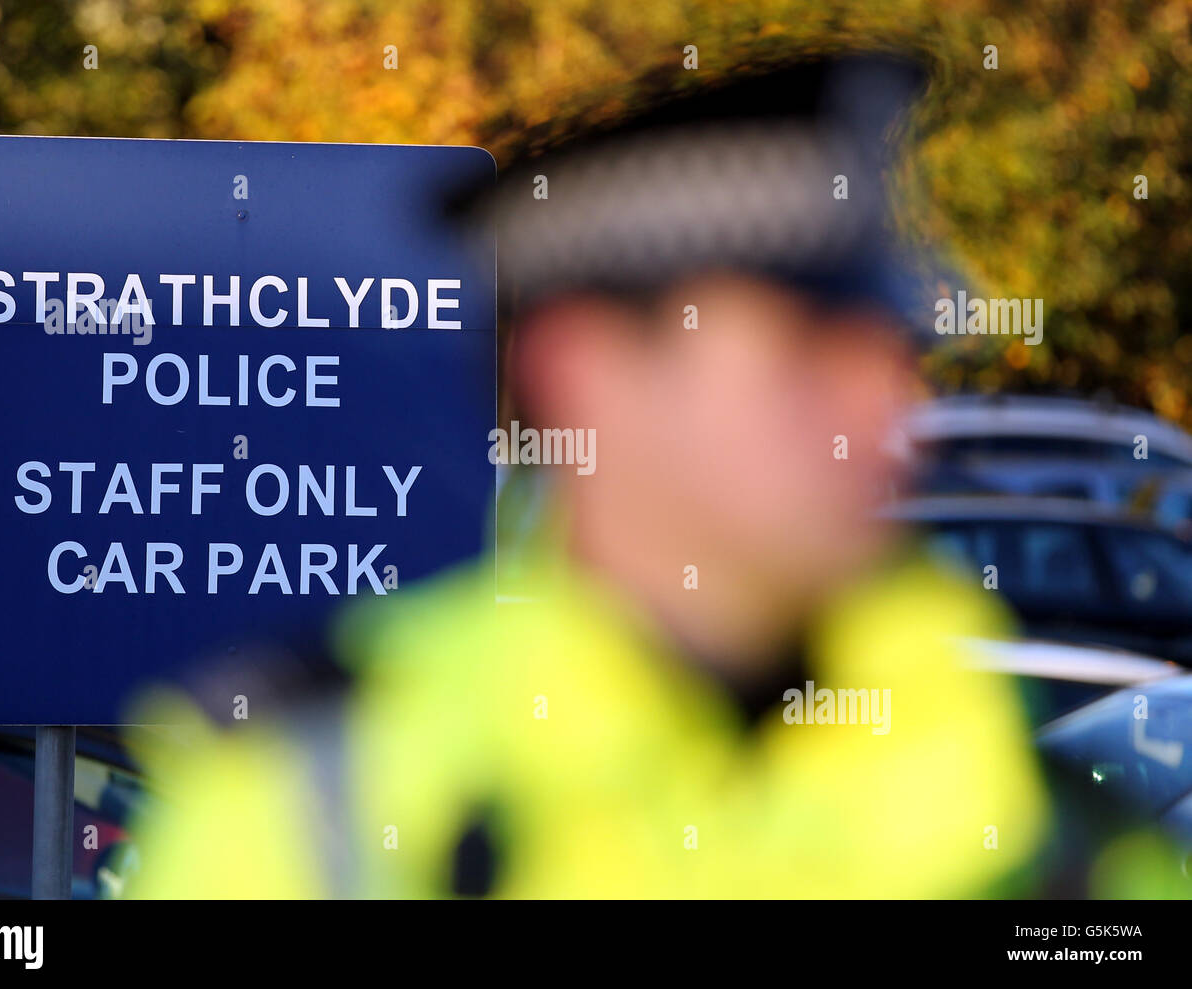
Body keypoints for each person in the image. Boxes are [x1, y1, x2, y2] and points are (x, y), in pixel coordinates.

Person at [123, 53, 1183, 899]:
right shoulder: (312, 804)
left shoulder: (1049, 827)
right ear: (580, 369)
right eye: (809, 346)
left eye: (893, 351)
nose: (888, 408)